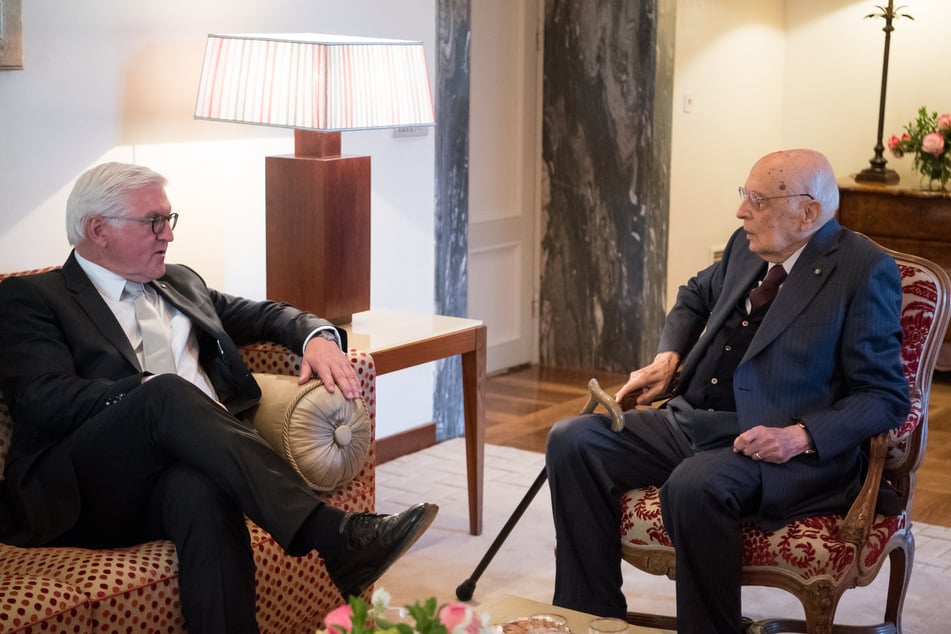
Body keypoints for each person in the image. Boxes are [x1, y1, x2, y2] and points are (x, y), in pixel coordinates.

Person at [0, 162, 438, 634]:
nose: (167, 235)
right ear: (97, 229)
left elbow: (268, 315)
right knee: (164, 391)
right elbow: (40, 398)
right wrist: (141, 392)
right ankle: (333, 535)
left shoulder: (179, 282)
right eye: (153, 222)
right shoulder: (32, 297)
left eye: (170, 220)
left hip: (177, 479)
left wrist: (317, 337)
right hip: (81, 490)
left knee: (202, 493)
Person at [545, 149, 910, 632]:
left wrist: (799, 436)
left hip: (780, 444)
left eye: (757, 200)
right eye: (746, 196)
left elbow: (884, 396)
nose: (742, 211)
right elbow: (694, 295)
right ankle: (592, 617)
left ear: (808, 213)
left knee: (695, 484)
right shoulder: (746, 245)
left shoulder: (863, 271)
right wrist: (668, 355)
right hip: (692, 420)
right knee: (572, 439)